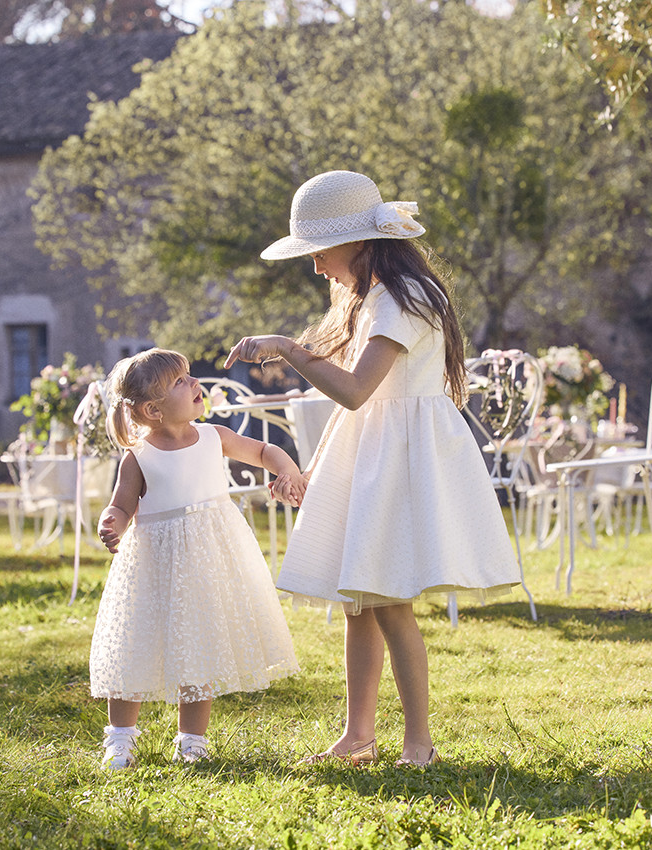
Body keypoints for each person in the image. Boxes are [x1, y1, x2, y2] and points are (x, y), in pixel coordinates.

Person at [225, 170, 521, 767]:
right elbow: (354, 398)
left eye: (319, 252)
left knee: (388, 601)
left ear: (359, 240)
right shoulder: (372, 296)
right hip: (372, 450)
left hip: (400, 457)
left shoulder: (406, 297)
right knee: (358, 600)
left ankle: (419, 743)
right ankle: (358, 734)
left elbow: (357, 390)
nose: (315, 268)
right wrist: (314, 459)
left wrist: (288, 347)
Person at [89, 348, 305, 769]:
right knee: (135, 645)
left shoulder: (213, 437)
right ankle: (120, 739)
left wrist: (288, 470)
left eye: (189, 375)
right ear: (153, 410)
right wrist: (111, 521)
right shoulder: (139, 457)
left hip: (208, 560)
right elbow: (121, 504)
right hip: (155, 564)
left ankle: (191, 742)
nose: (194, 383)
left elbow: (264, 452)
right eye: (180, 381)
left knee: (198, 646)